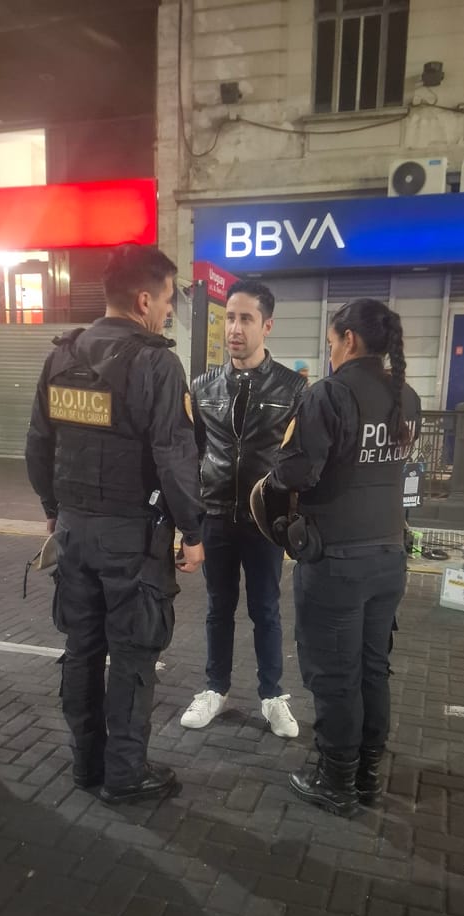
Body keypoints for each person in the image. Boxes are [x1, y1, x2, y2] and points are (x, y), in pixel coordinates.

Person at [25, 243, 204, 806]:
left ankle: (86, 764)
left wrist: (54, 510)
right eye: (168, 300)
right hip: (131, 539)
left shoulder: (62, 355)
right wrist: (192, 533)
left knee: (81, 648)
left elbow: (37, 444)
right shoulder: (156, 361)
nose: (169, 312)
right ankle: (125, 774)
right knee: (131, 656)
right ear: (144, 299)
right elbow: (175, 456)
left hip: (74, 532)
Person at [257, 298, 421, 817]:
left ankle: (335, 781)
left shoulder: (329, 394)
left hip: (337, 562)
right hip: (389, 557)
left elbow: (300, 470)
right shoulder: (407, 397)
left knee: (335, 674)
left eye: (330, 344)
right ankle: (368, 775)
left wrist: (274, 470)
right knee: (373, 669)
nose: (328, 354)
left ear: (348, 340)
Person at [180, 279, 307, 737]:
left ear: (267, 325)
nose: (234, 328)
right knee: (218, 608)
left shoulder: (294, 388)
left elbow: (299, 460)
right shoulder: (203, 385)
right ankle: (215, 688)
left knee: (266, 610)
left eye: (246, 318)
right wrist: (187, 521)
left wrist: (294, 517)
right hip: (214, 515)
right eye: (229, 317)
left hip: (263, 520)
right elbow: (193, 454)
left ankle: (272, 696)